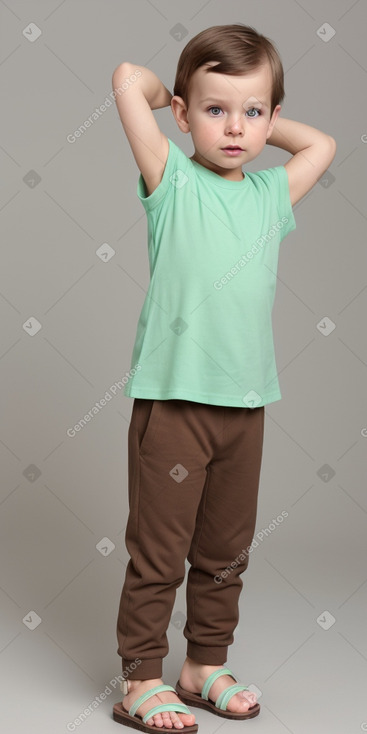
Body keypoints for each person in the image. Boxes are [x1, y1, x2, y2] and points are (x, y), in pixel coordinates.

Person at [111, 23, 336, 733]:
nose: (234, 127)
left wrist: (250, 117)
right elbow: (125, 79)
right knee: (160, 551)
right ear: (180, 115)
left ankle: (203, 664)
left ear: (270, 118)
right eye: (214, 110)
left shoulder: (269, 196)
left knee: (223, 550)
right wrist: (173, 97)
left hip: (244, 406)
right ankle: (140, 677)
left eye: (253, 112)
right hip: (176, 405)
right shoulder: (170, 179)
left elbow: (320, 145)